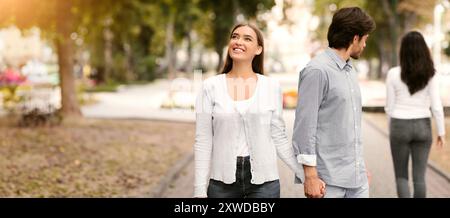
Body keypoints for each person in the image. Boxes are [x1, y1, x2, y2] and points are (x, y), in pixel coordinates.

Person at [193, 23, 303, 198]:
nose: (238, 41)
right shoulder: (209, 87)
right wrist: (199, 190)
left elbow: (278, 136)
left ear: (258, 49)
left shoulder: (271, 86)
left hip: (265, 184)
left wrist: (305, 175)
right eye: (235, 37)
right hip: (221, 184)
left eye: (247, 38)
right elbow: (203, 140)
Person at [292, 7, 375, 198]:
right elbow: (305, 127)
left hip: (357, 181)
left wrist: (359, 168)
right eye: (364, 39)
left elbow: (348, 124)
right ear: (355, 38)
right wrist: (310, 176)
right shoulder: (317, 70)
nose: (364, 45)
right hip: (327, 183)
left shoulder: (349, 70)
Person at [385, 31, 446, 198]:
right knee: (420, 178)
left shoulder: (392, 74)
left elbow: (389, 107)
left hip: (399, 124)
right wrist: (441, 132)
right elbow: (436, 106)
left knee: (401, 176)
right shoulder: (431, 74)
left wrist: (392, 130)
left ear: (403, 51)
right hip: (422, 126)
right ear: (423, 50)